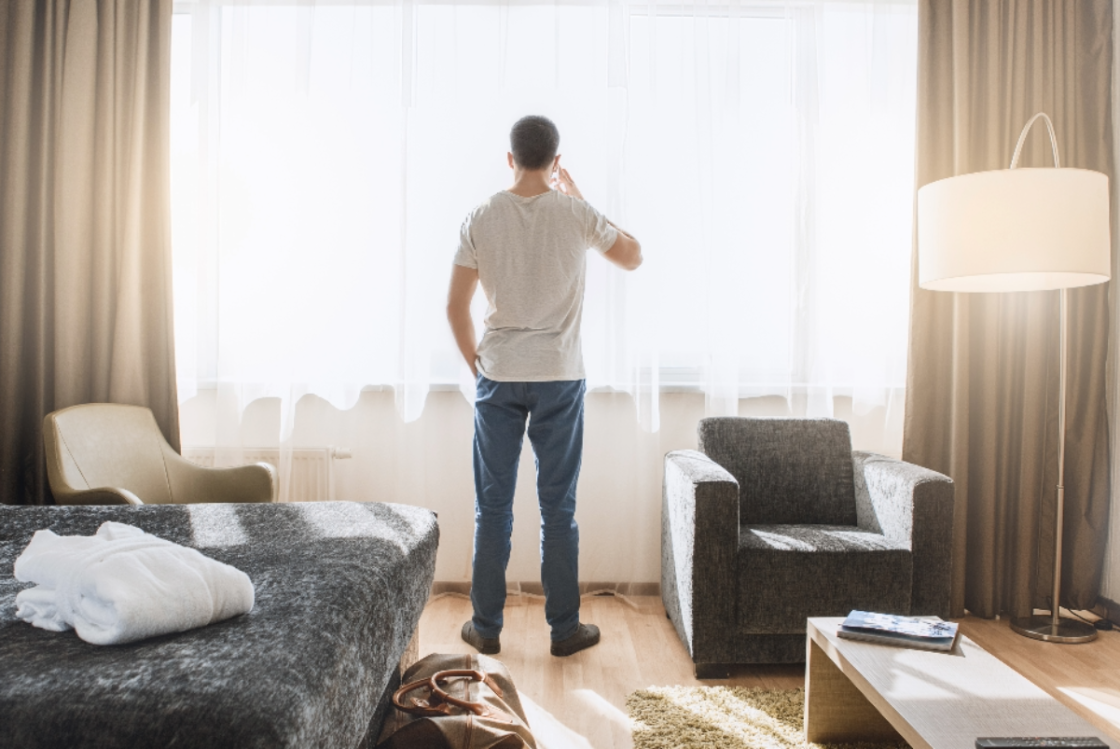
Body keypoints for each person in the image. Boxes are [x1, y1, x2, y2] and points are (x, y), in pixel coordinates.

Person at [446, 115, 642, 657]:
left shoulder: (482, 216)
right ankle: (564, 630)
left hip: (500, 377)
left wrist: (477, 366)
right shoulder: (575, 214)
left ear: (510, 158)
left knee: (493, 507)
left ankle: (485, 629)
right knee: (559, 510)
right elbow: (633, 255)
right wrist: (577, 195)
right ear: (556, 161)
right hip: (559, 377)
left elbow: (454, 306)